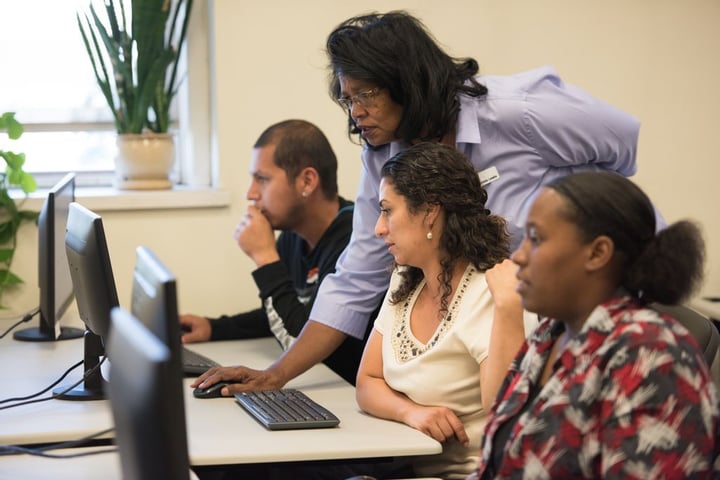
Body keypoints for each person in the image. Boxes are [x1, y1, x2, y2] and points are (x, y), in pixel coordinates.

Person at [194, 10, 647, 394]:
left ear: (405, 82)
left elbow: (622, 144)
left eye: (366, 94)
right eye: (347, 99)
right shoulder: (384, 154)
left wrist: (571, 202)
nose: (356, 112)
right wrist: (277, 375)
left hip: (608, 282)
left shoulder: (515, 112)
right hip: (522, 311)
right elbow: (357, 275)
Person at [471, 171, 720, 479]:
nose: (518, 256)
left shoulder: (654, 355)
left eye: (535, 238)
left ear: (598, 252)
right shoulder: (551, 332)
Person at [355, 143, 537, 480]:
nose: (379, 228)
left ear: (429, 213)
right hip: (413, 468)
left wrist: (510, 307)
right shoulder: (406, 281)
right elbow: (367, 382)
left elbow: (505, 413)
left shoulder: (494, 292)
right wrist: (410, 412)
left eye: (387, 211)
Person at [182, 119, 365, 385]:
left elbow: (300, 339)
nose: (250, 193)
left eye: (262, 179)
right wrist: (214, 328)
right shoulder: (293, 236)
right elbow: (280, 311)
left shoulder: (354, 241)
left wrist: (265, 258)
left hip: (349, 394)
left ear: (307, 180)